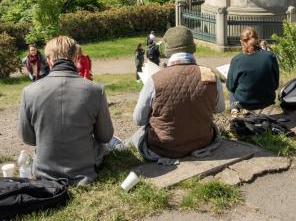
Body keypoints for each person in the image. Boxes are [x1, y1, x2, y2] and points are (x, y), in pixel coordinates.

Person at [19, 36, 114, 185]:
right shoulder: (96, 90)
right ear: (77, 58)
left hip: (44, 170)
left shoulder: (29, 91)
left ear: (49, 60)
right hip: (85, 167)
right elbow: (105, 136)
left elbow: (28, 138)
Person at [130, 26, 225, 162]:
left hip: (165, 148)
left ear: (168, 49)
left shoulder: (155, 79)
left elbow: (139, 120)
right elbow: (219, 108)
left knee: (136, 137)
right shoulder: (210, 75)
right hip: (203, 142)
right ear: (192, 46)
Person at [226, 28, 279, 113]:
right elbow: (276, 84)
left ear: (241, 42)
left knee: (233, 90)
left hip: (244, 102)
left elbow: (230, 86)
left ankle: (235, 110)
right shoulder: (270, 56)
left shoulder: (236, 60)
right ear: (257, 40)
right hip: (267, 100)